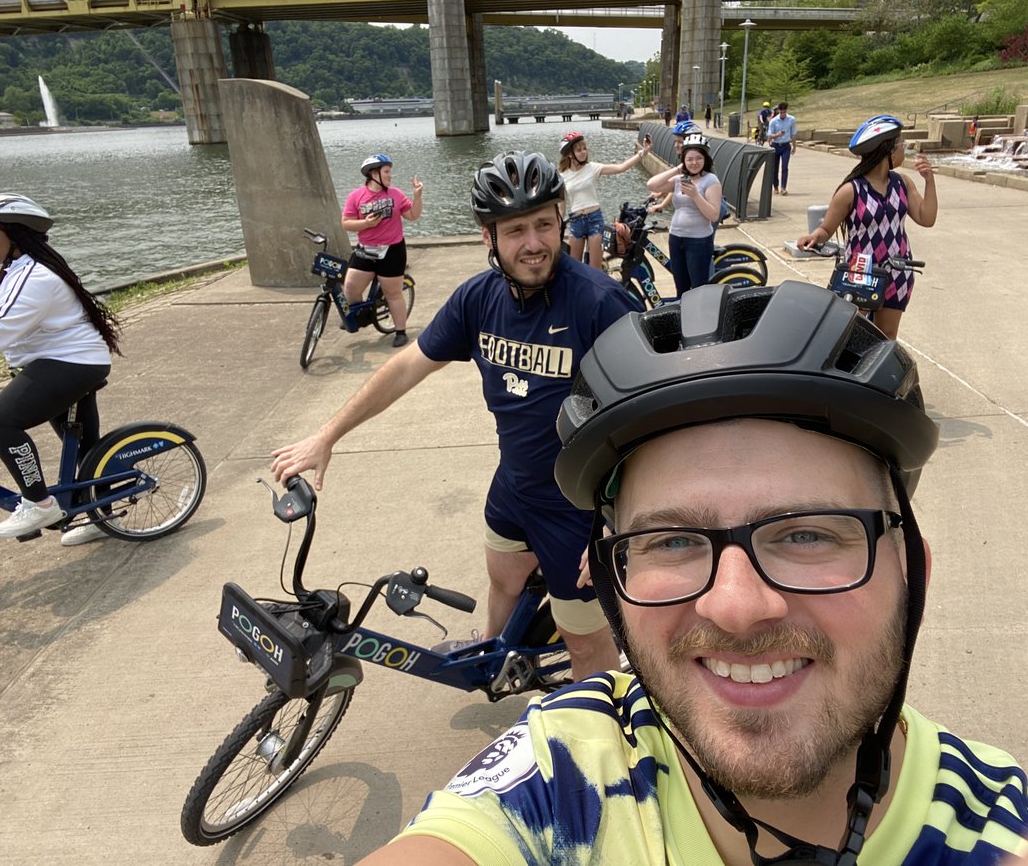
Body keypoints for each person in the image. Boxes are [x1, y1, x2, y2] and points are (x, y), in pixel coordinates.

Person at [357, 280, 1028, 865]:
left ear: (912, 571)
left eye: (808, 534)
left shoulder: (1012, 840)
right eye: (671, 541)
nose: (736, 605)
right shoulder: (562, 772)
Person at [271, 151, 643, 680]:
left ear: (561, 220)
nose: (534, 243)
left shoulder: (601, 303)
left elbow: (650, 419)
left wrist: (621, 523)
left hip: (580, 507)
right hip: (515, 485)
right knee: (504, 580)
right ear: (488, 236)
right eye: (515, 230)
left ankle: (600, 716)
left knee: (586, 647)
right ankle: (496, 662)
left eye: (543, 224)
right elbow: (407, 367)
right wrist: (328, 434)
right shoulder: (478, 299)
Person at [0, 193, 121, 547]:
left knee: (0, 420)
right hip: (67, 360)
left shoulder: (34, 277)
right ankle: (102, 515)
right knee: (85, 448)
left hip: (72, 362)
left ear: (15, 236)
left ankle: (39, 503)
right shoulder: (19, 269)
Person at [796, 114, 938, 340]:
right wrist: (814, 237)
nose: (904, 149)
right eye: (901, 144)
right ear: (887, 150)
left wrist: (929, 180)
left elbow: (926, 218)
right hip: (860, 272)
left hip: (897, 270)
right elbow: (826, 229)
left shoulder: (902, 183)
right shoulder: (850, 190)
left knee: (885, 337)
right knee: (852, 335)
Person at [341, 153, 423, 348]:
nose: (390, 176)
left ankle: (400, 331)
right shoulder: (356, 196)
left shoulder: (395, 194)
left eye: (389, 172)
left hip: (392, 250)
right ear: (373, 174)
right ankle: (363, 315)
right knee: (350, 287)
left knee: (393, 293)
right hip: (365, 250)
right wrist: (366, 224)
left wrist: (417, 196)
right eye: (386, 172)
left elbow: (413, 215)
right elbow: (346, 223)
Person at [557, 130, 651, 271]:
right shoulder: (563, 176)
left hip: (594, 220)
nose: (583, 152)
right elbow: (561, 207)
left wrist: (643, 152)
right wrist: (557, 227)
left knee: (595, 269)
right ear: (570, 154)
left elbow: (621, 168)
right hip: (576, 221)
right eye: (578, 150)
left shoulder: (592, 168)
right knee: (574, 268)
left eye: (584, 148)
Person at [646, 132, 722, 295]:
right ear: (683, 160)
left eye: (699, 158)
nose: (694, 163)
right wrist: (678, 169)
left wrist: (695, 195)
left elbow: (714, 215)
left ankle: (698, 312)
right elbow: (652, 185)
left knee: (698, 288)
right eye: (689, 159)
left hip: (698, 241)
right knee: (681, 288)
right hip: (676, 238)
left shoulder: (710, 180)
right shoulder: (680, 179)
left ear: (705, 159)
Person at [767, 101, 797, 194]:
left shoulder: (791, 119)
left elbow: (793, 134)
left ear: (786, 111)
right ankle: (775, 186)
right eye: (781, 112)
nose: (782, 114)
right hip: (776, 145)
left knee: (784, 167)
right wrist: (777, 135)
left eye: (784, 112)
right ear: (778, 111)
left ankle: (783, 187)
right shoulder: (773, 121)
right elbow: (769, 136)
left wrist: (794, 146)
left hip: (786, 146)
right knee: (774, 168)